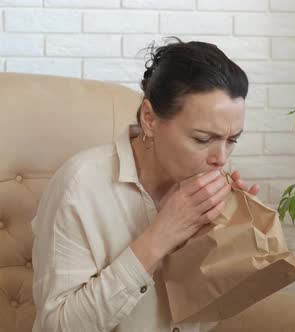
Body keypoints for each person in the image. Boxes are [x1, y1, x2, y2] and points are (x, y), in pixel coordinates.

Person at [31, 37, 260, 332]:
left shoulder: (206, 190)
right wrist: (162, 234)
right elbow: (58, 327)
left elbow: (205, 314)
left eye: (232, 140)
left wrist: (234, 233)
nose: (220, 158)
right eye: (203, 139)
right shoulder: (80, 186)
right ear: (150, 119)